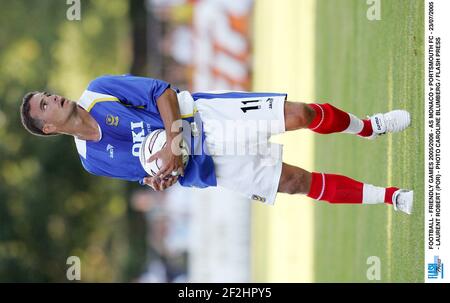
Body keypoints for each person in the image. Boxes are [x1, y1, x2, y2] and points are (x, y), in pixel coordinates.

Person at [19, 74, 414, 214]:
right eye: (44, 104)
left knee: (302, 115)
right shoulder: (92, 161)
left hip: (207, 119)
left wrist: (174, 140)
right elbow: (149, 172)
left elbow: (162, 92)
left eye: (46, 94)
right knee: (296, 184)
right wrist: (161, 179)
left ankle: (369, 126)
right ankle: (392, 197)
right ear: (49, 128)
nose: (51, 98)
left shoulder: (99, 92)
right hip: (207, 167)